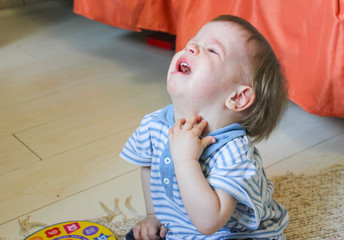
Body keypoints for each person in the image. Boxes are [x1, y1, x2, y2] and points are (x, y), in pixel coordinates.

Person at [120, 15, 289, 240]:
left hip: (230, 234)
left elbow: (210, 222)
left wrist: (186, 161)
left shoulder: (234, 152)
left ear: (238, 97)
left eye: (211, 50)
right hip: (182, 229)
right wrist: (153, 216)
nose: (190, 48)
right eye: (192, 42)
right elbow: (150, 168)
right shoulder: (154, 124)